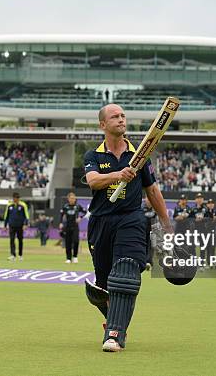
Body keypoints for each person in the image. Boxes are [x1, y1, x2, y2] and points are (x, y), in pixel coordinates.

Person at [83, 103, 173, 352]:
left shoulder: (140, 155)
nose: (121, 119)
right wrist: (118, 175)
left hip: (131, 218)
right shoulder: (94, 155)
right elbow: (93, 182)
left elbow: (152, 190)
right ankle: (114, 316)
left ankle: (114, 335)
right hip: (101, 222)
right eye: (115, 116)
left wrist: (167, 224)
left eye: (123, 115)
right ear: (103, 124)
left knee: (125, 273)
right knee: (102, 287)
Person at [59, 192, 86, 263]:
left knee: (76, 241)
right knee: (68, 242)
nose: (73, 199)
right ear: (68, 199)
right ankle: (68, 258)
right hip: (67, 226)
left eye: (74, 198)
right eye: (71, 198)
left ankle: (75, 256)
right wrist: (61, 223)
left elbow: (85, 212)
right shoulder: (65, 207)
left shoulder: (77, 206)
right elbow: (61, 215)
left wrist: (80, 217)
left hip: (75, 226)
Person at [3, 192, 29, 261]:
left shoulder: (23, 205)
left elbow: (26, 216)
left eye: (17, 198)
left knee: (20, 240)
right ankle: (13, 255)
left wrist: (25, 224)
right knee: (12, 240)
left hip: (20, 226)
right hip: (12, 225)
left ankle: (20, 255)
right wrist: (5, 225)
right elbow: (6, 216)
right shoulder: (9, 205)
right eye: (15, 198)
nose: (16, 199)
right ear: (13, 198)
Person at [189, 193, 208, 270]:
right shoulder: (193, 209)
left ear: (203, 200)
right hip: (194, 230)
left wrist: (202, 219)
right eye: (198, 198)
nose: (199, 199)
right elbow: (189, 219)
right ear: (195, 200)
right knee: (192, 246)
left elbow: (209, 218)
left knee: (203, 247)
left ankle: (201, 264)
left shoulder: (206, 209)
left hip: (203, 229)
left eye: (201, 198)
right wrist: (195, 220)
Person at [142, 197, 158, 270]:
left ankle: (149, 262)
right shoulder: (142, 207)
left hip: (153, 230)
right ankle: (143, 261)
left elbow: (158, 219)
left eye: (150, 199)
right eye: (147, 199)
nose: (149, 200)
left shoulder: (155, 208)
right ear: (145, 199)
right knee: (143, 245)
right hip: (143, 230)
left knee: (152, 246)